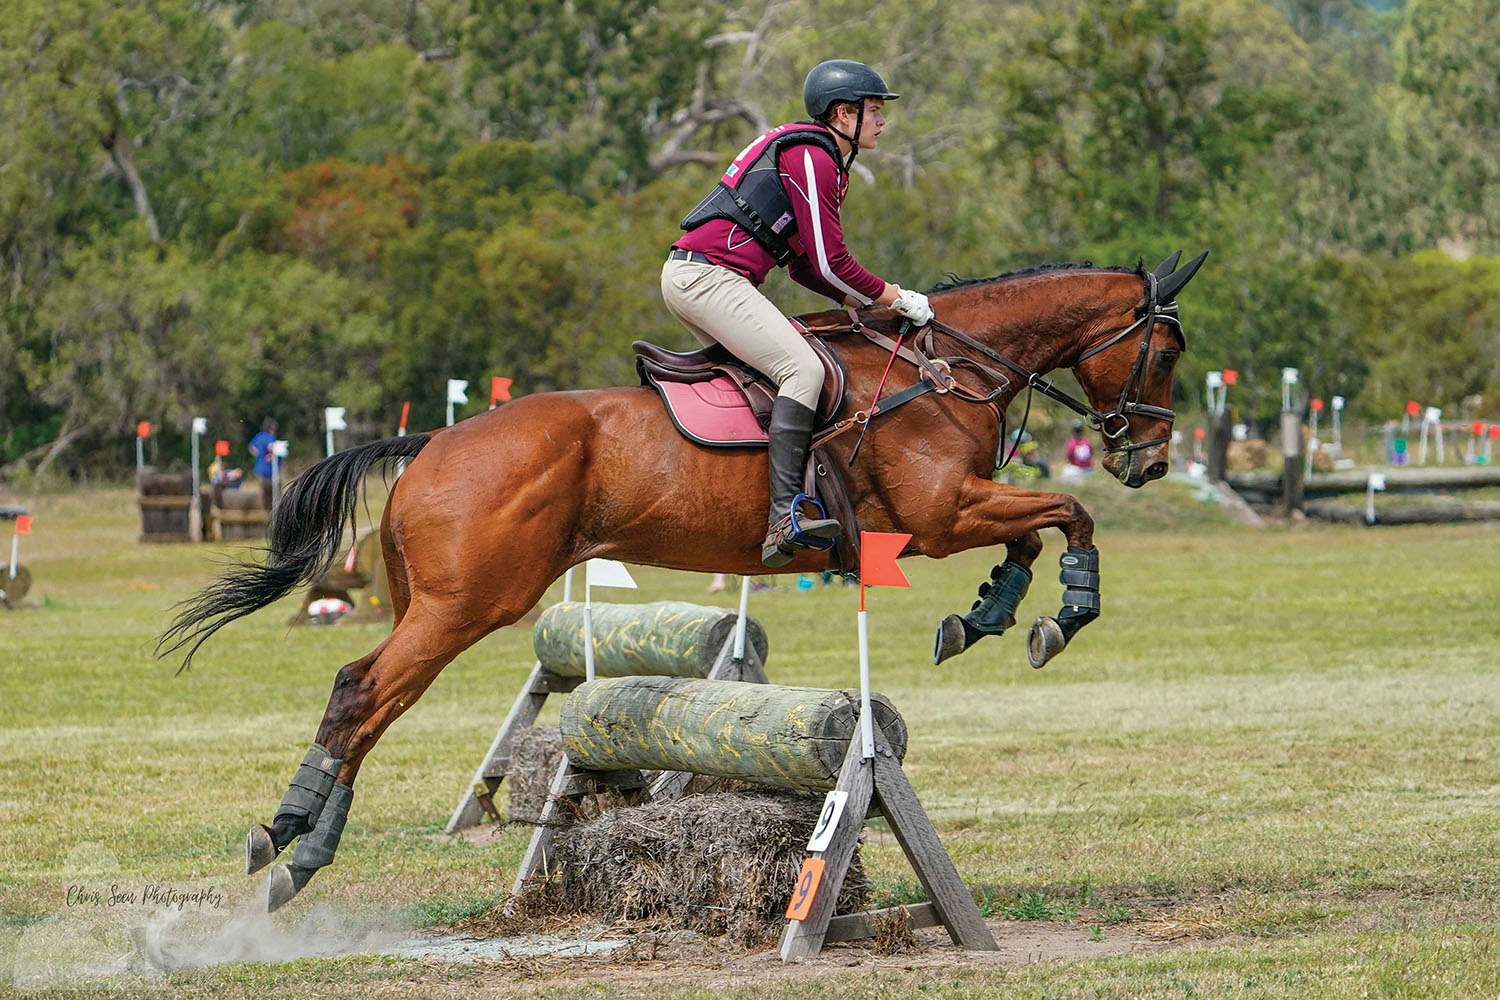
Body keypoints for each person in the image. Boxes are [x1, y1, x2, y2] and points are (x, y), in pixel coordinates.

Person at [662, 59, 935, 567]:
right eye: (873, 110)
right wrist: (895, 297)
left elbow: (806, 267)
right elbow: (833, 264)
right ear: (842, 113)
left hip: (704, 276)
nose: (882, 121)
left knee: (786, 369)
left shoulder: (817, 154)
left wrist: (862, 305)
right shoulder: (814, 156)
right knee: (802, 368)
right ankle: (784, 513)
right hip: (709, 278)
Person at [248, 418, 279, 505]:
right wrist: (271, 454)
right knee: (274, 492)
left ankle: (263, 510)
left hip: (259, 468)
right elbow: (271, 447)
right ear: (271, 428)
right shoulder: (270, 437)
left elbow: (252, 447)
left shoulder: (259, 436)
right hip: (270, 470)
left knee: (262, 492)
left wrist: (259, 455)